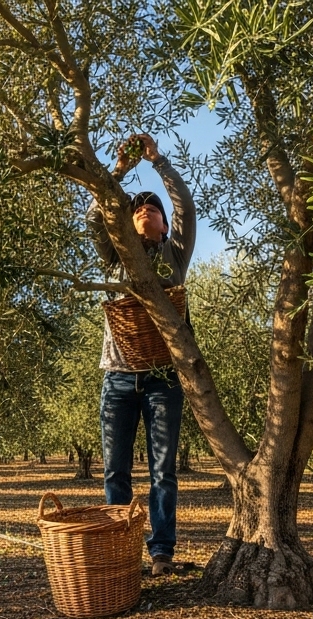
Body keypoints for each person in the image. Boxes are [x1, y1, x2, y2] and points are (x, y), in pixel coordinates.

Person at [87, 133, 196, 577]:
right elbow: (95, 217)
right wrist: (118, 171)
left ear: (165, 226)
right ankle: (120, 551)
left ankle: (161, 553)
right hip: (117, 376)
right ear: (127, 226)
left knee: (162, 472)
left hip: (163, 378)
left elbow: (185, 206)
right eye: (137, 209)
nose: (145, 209)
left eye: (153, 209)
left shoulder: (173, 254)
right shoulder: (115, 259)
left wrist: (157, 161)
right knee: (114, 472)